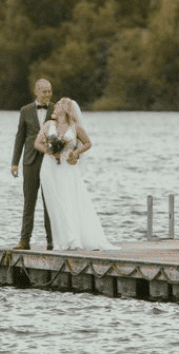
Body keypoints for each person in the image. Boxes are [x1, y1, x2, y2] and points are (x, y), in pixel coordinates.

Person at [33, 97, 117, 251]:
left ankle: (74, 239)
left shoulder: (75, 127)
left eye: (59, 104)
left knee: (69, 200)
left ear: (65, 109)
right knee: (56, 203)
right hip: (49, 168)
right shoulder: (48, 125)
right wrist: (50, 151)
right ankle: (62, 239)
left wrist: (76, 152)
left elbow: (88, 143)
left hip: (68, 168)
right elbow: (37, 143)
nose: (55, 106)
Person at [11, 78, 55, 250]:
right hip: (30, 161)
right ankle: (24, 240)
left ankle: (51, 240)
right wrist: (14, 163)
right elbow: (20, 137)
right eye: (44, 91)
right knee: (29, 202)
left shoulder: (56, 109)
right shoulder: (26, 110)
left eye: (49, 91)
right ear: (36, 91)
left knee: (50, 202)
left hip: (50, 162)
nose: (47, 95)